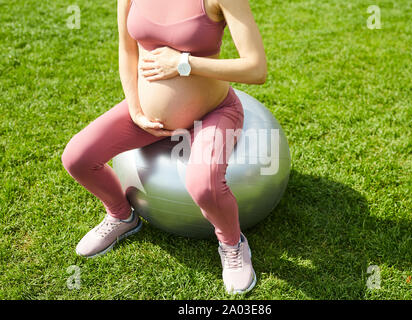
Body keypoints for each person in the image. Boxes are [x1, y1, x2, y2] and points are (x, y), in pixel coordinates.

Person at [61, 0, 267, 295]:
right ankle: (122, 215)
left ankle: (232, 244)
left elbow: (256, 68)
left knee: (204, 186)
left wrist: (184, 63)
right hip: (147, 116)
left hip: (214, 112)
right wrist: (135, 108)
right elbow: (127, 48)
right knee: (77, 158)